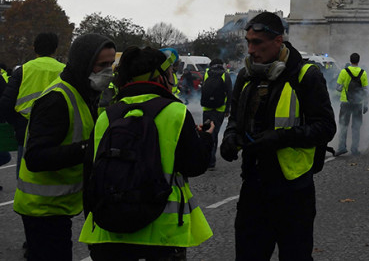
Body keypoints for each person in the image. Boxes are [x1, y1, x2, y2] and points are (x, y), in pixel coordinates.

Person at [220, 11, 336, 261]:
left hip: (294, 188)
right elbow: (235, 119)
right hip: (253, 184)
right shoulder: (245, 75)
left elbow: (326, 127)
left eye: (257, 43)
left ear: (278, 41)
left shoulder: (307, 76)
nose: (250, 50)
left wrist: (280, 138)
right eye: (248, 42)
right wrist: (230, 137)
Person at [79, 46, 214, 260]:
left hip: (110, 233)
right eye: (170, 73)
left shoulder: (107, 116)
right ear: (158, 76)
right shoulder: (176, 112)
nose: (174, 77)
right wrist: (206, 138)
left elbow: (90, 178)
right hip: (163, 234)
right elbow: (195, 165)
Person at [14, 33, 114, 261]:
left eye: (111, 64)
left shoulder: (85, 91)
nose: (108, 71)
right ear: (84, 63)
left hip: (57, 206)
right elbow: (36, 157)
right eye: (102, 65)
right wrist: (87, 149)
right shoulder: (57, 99)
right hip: (42, 208)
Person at [0, 32, 66, 169]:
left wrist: (16, 123)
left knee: (25, 178)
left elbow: (6, 103)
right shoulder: (65, 71)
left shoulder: (23, 70)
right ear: (55, 49)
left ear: (34, 48)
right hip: (59, 129)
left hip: (26, 130)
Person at [200, 57, 232, 169]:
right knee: (214, 133)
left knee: (207, 132)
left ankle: (205, 158)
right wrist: (227, 109)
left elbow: (202, 90)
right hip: (220, 109)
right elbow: (229, 94)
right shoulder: (225, 75)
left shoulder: (206, 74)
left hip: (207, 109)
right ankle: (211, 161)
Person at [335, 52, 368, 156]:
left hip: (346, 102)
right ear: (358, 61)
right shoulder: (363, 73)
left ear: (350, 60)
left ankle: (342, 147)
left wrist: (343, 89)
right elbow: (366, 90)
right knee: (356, 126)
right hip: (358, 103)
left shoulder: (344, 72)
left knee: (343, 125)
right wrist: (366, 104)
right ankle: (354, 149)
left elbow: (338, 87)